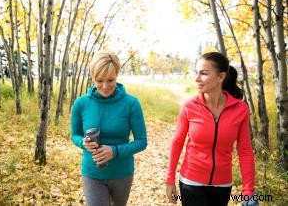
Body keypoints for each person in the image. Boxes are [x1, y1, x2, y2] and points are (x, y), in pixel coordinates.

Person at [165, 52, 257, 206]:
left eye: (204, 73)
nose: (197, 79)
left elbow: (245, 150)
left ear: (221, 77)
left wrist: (248, 190)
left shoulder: (240, 109)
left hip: (222, 185)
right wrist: (169, 179)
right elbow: (177, 142)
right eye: (196, 73)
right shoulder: (189, 106)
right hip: (191, 181)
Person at [71, 51, 147, 206]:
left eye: (110, 80)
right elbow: (75, 135)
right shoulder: (81, 104)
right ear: (92, 77)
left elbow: (141, 141)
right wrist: (83, 143)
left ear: (117, 74)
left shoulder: (131, 104)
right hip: (92, 172)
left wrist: (114, 151)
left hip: (122, 173)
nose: (105, 87)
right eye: (99, 80)